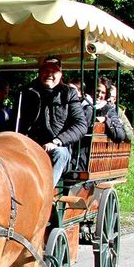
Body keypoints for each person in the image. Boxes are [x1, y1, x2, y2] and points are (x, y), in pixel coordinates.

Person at [14, 55, 88, 186]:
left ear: (60, 75)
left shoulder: (69, 93)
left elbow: (81, 125)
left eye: (54, 71)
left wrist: (57, 142)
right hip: (28, 144)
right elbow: (15, 122)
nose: (50, 74)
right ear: (39, 72)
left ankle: (46, 195)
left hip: (57, 146)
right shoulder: (25, 92)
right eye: (46, 70)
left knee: (59, 154)